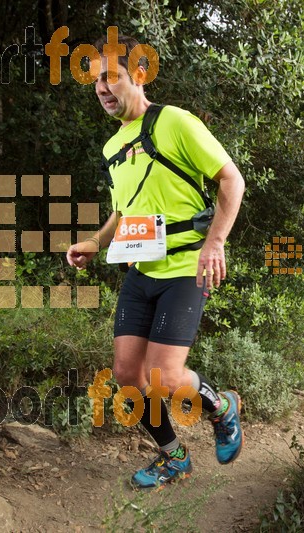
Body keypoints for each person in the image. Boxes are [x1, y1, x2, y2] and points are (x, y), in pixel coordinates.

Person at [66, 34, 246, 491]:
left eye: (111, 77)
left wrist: (216, 242)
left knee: (164, 376)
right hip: (140, 272)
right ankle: (174, 457)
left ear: (139, 75)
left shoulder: (174, 122)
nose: (102, 89)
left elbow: (232, 179)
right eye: (95, 82)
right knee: (128, 377)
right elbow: (125, 211)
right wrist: (95, 241)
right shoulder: (112, 147)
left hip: (187, 267)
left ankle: (223, 407)